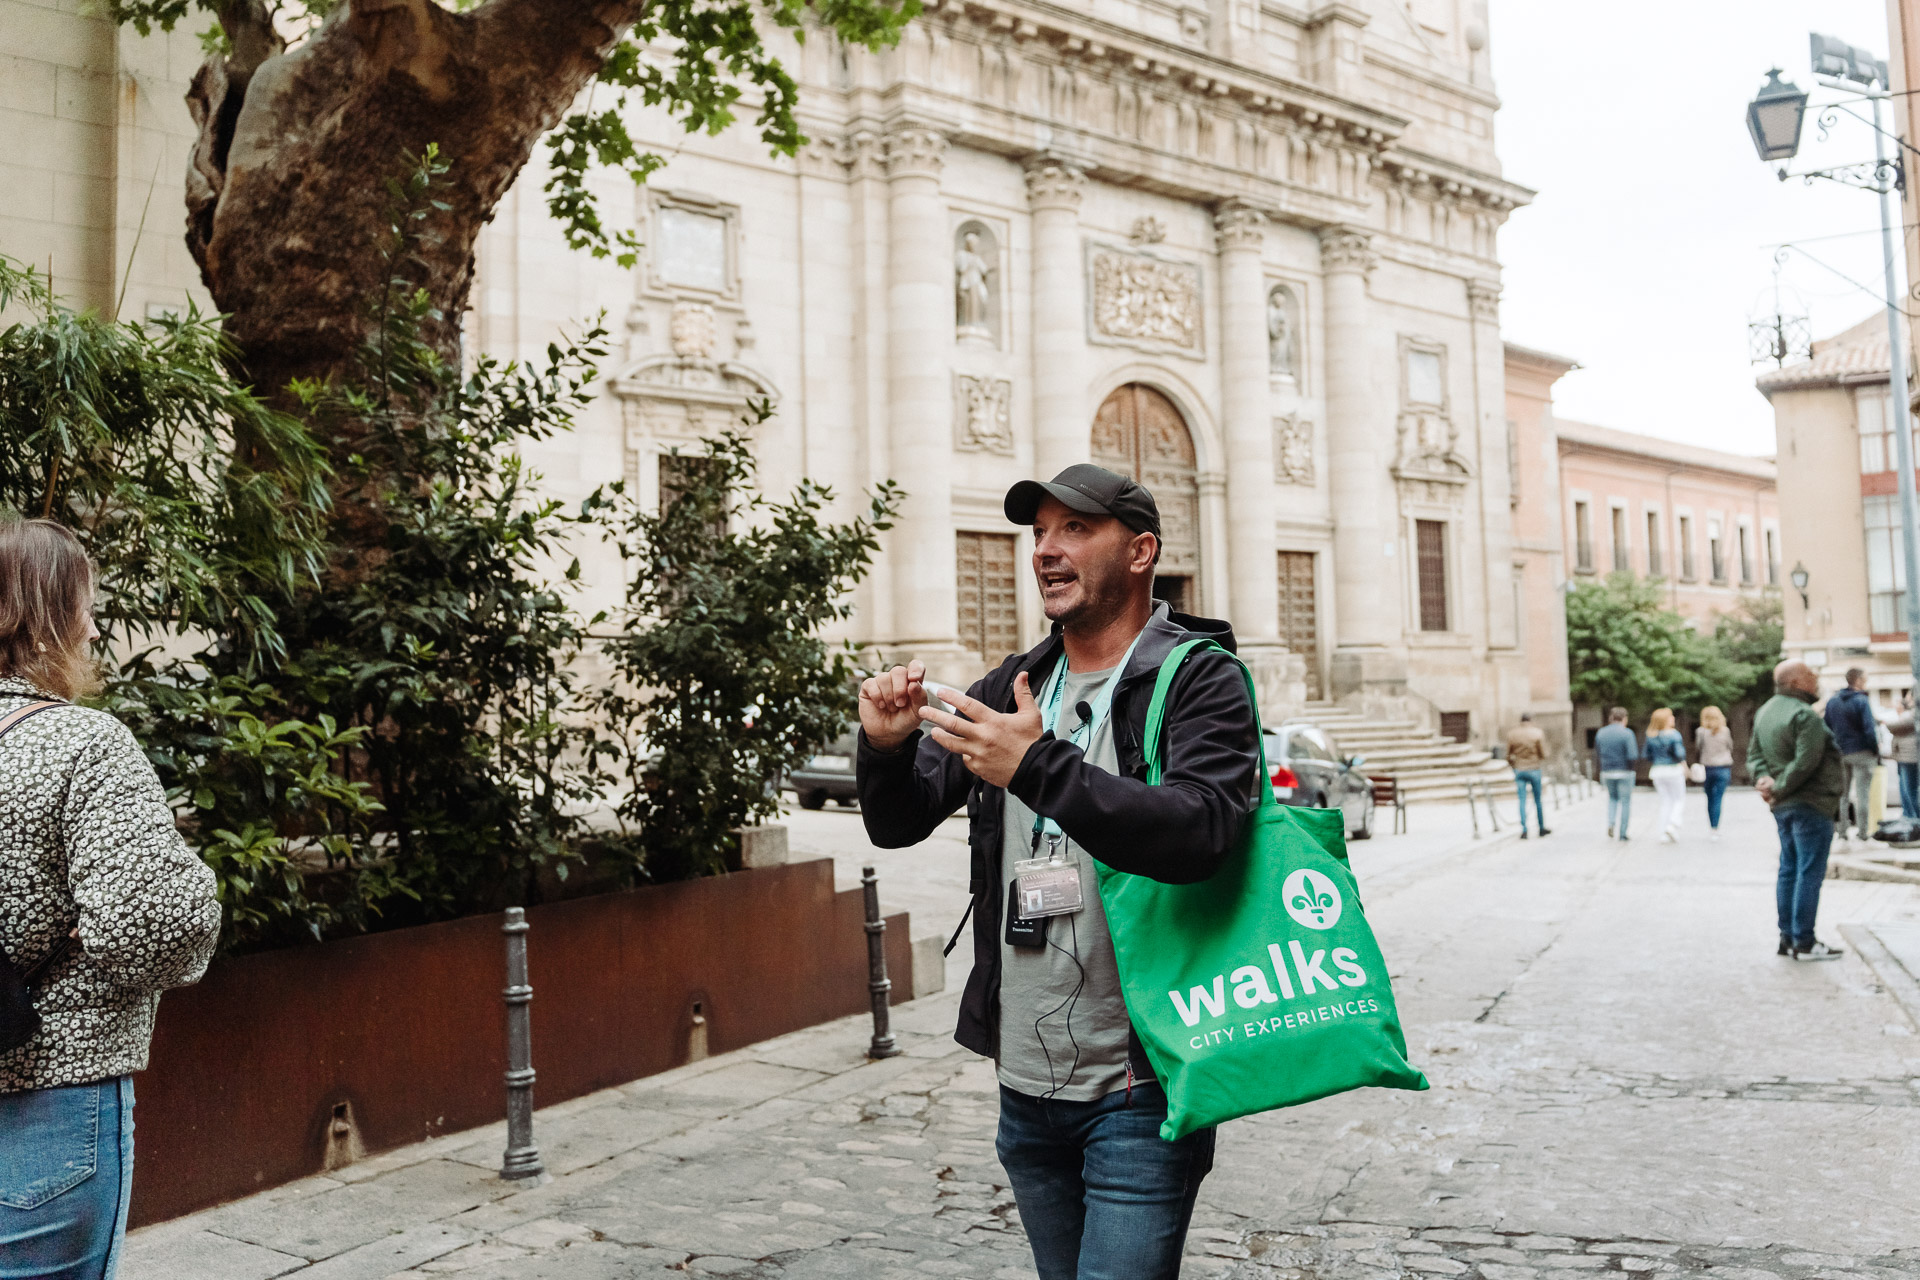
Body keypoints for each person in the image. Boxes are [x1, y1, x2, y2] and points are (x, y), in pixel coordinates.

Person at [856, 464, 1260, 1280]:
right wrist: (887, 748)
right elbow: (899, 822)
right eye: (1039, 533)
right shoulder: (1014, 686)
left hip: (1140, 1088)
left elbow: (1204, 831)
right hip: (1026, 1087)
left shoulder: (1199, 678)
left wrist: (1035, 766)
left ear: (1141, 551)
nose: (1046, 549)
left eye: (1076, 529)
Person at [0, 518, 222, 1278]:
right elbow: (148, 929)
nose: (95, 625)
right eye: (86, 606)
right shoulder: (82, 746)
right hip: (50, 1093)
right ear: (50, 618)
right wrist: (196, 879)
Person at [1750, 659, 1846, 961]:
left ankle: (1787, 938)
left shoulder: (1765, 711)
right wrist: (1777, 786)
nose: (1816, 679)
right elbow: (1807, 762)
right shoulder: (1804, 715)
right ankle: (1804, 941)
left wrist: (1764, 780)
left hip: (1784, 806)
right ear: (1794, 683)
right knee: (1808, 872)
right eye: (1810, 675)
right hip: (1811, 802)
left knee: (1789, 869)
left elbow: (1754, 756)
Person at [1824, 667, 1879, 843]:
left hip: (1840, 752)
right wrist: (1875, 750)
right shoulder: (1861, 701)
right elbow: (1869, 729)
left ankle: (1842, 831)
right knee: (1863, 793)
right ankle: (1863, 832)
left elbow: (1826, 728)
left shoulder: (1832, 702)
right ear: (1858, 680)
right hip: (1862, 751)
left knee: (1843, 794)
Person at [1644, 708, 1687, 844]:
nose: (1673, 718)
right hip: (1673, 770)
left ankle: (1663, 833)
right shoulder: (1674, 735)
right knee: (1679, 799)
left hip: (1657, 771)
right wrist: (1685, 767)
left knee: (1665, 802)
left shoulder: (1651, 736)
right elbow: (1679, 754)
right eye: (1670, 717)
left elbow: (1646, 755)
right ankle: (1673, 824)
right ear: (1665, 720)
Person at [1594, 707, 1638, 840]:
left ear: (1611, 718)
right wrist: (1631, 769)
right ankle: (1623, 833)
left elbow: (1597, 754)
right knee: (1625, 802)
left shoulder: (1601, 733)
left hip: (1606, 771)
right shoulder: (1627, 733)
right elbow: (1632, 755)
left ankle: (1611, 823)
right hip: (1624, 771)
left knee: (1612, 799)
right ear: (1624, 719)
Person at [1506, 711, 1550, 839]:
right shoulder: (1537, 733)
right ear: (1530, 720)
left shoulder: (1512, 734)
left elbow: (1508, 754)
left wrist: (1513, 765)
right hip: (1534, 768)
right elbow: (1542, 753)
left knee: (1522, 800)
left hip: (1519, 769)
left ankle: (1524, 829)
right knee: (1538, 800)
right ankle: (1541, 827)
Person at [1694, 705, 1734, 840]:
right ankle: (1715, 829)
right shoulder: (1725, 731)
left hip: (1708, 768)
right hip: (1723, 767)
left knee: (1710, 798)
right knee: (1718, 798)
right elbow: (1730, 746)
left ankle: (1712, 827)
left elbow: (1698, 748)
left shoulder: (1701, 731)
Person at [1889, 693, 1919, 820]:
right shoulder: (1909, 714)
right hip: (1903, 756)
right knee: (1906, 788)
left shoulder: (1912, 714)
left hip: (1909, 756)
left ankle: (1914, 817)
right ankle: (1909, 815)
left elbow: (1895, 726)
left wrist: (1887, 724)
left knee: (1909, 788)